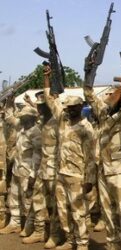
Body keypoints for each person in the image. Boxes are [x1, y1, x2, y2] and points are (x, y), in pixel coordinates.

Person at [43, 65, 95, 250]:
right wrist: (47, 77)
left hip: (77, 176)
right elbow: (50, 100)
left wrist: (89, 181)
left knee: (78, 212)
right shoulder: (62, 120)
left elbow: (91, 157)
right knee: (63, 210)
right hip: (61, 173)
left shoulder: (86, 128)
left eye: (73, 107)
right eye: (68, 107)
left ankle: (82, 243)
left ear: (81, 107)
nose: (70, 110)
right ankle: (70, 239)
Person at [83, 81, 121, 249]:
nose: (109, 97)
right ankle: (112, 245)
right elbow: (89, 95)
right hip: (103, 172)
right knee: (108, 214)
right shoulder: (103, 117)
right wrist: (89, 72)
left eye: (113, 94)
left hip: (119, 172)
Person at [22, 92, 61, 248]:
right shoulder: (42, 122)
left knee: (54, 205)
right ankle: (39, 232)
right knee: (38, 200)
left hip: (53, 170)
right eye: (37, 105)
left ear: (47, 107)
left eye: (41, 106)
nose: (38, 108)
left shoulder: (57, 123)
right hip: (42, 169)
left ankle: (55, 235)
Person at [0, 101, 41, 236]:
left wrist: (33, 175)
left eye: (24, 117)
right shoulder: (21, 128)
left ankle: (31, 227)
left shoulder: (35, 132)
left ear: (32, 117)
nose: (21, 118)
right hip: (17, 169)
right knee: (14, 198)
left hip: (27, 171)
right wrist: (10, 102)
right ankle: (15, 224)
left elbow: (37, 156)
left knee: (28, 200)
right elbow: (9, 117)